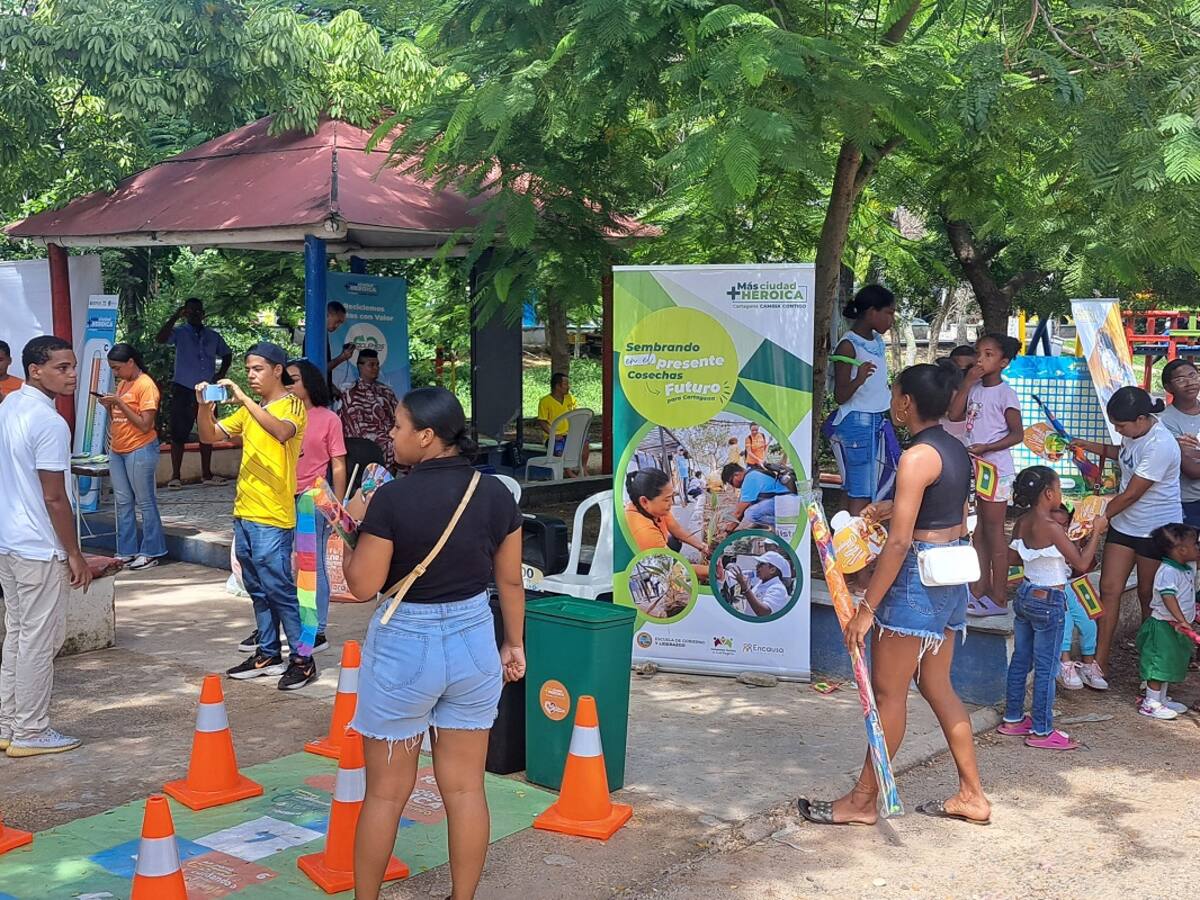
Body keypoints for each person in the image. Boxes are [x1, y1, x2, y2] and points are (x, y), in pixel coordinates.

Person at [338, 386, 525, 900]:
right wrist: (514, 644)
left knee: (384, 796)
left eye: (397, 427)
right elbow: (509, 582)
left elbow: (361, 586)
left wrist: (350, 525)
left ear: (426, 436)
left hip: (405, 647)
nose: (390, 436)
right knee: (466, 789)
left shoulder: (391, 499)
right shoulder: (496, 494)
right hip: (473, 641)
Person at [799, 361, 990, 827]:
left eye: (894, 393)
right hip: (949, 575)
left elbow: (902, 542)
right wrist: (890, 508)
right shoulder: (955, 449)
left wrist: (867, 607)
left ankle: (864, 801)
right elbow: (947, 513)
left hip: (916, 581)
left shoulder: (916, 457)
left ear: (906, 403)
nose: (891, 401)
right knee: (935, 684)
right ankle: (972, 794)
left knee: (889, 694)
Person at [196, 342, 316, 691]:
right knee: (258, 589)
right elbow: (209, 435)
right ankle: (267, 652)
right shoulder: (251, 411)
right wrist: (204, 408)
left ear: (278, 370)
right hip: (245, 511)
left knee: (280, 589)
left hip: (273, 516)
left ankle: (303, 658)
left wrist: (244, 400)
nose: (250, 375)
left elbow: (281, 432)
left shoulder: (291, 405)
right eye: (247, 369)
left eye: (257, 369)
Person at [0, 336, 92, 757]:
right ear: (36, 369)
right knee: (38, 640)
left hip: (11, 543)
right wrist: (75, 553)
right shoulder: (51, 424)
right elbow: (55, 497)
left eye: (73, 367)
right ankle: (32, 731)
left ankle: (8, 725)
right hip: (39, 547)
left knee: (18, 636)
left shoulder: (10, 406)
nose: (72, 375)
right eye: (62, 367)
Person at [1071, 386, 1183, 678]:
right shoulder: (1134, 435)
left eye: (1122, 425)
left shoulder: (1161, 444)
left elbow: (1132, 493)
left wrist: (1100, 516)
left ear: (1143, 419)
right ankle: (1099, 662)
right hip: (1124, 525)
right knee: (1109, 590)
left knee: (1149, 596)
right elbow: (1123, 453)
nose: (1119, 431)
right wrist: (1085, 445)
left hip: (1155, 531)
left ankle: (1152, 668)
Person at [998, 467, 1107, 750]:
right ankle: (1042, 731)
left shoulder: (1023, 522)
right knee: (1046, 668)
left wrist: (1040, 559)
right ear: (1048, 494)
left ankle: (1012, 718)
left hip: (1025, 595)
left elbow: (1013, 557)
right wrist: (1096, 532)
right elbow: (1082, 564)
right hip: (1050, 601)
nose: (1060, 495)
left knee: (1021, 659)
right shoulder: (1053, 528)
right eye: (1059, 489)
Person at [948, 333, 1023, 617]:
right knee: (979, 531)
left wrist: (988, 446)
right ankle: (978, 589)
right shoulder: (975, 387)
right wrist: (967, 383)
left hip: (997, 469)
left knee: (994, 533)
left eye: (989, 354)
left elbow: (1018, 434)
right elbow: (955, 415)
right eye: (979, 352)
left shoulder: (1006, 394)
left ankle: (1000, 597)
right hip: (979, 469)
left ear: (1003, 362)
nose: (981, 358)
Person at [287, 358, 347, 652]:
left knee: (312, 565)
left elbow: (338, 463)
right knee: (281, 564)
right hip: (281, 497)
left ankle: (318, 628)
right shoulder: (278, 415)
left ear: (309, 383)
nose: (288, 385)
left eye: (294, 379)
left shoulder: (328, 419)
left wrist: (338, 506)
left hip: (313, 498)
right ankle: (287, 624)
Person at [829, 285, 897, 516]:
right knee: (862, 491)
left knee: (854, 488)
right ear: (871, 311)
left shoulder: (876, 340)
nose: (891, 320)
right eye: (888, 313)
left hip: (875, 418)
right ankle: (857, 546)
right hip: (858, 421)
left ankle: (842, 540)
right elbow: (840, 396)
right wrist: (858, 379)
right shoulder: (848, 346)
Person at [100, 344, 165, 570]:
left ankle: (151, 550)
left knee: (145, 502)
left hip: (140, 447)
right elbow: (119, 417)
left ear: (130, 362)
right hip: (118, 449)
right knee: (123, 502)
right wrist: (111, 405)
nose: (116, 373)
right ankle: (126, 550)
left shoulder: (146, 385)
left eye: (117, 368)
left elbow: (145, 425)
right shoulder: (123, 383)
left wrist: (119, 403)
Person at [156, 297, 232, 488]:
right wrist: (175, 316)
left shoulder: (213, 336)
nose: (194, 314)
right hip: (184, 387)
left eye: (197, 311)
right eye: (189, 311)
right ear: (185, 313)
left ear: (203, 313)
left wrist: (220, 373)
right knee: (178, 432)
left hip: (208, 390)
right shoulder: (179, 333)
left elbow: (227, 353)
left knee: (207, 431)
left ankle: (207, 474)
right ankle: (175, 476)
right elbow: (160, 339)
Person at [1137, 524, 1200, 721]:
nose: (1198, 548)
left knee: (1169, 663)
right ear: (1181, 551)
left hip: (1176, 626)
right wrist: (1182, 620)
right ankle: (1150, 702)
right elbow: (1168, 596)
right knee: (1158, 664)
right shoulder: (1168, 571)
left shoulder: (1186, 567)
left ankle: (1161, 698)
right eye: (1195, 545)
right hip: (1164, 625)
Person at [1051, 505, 1107, 692]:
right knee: (1065, 624)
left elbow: (1083, 567)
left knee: (1089, 623)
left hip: (1074, 586)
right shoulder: (1045, 540)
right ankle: (1065, 663)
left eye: (1065, 524)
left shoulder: (1069, 540)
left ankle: (1088, 665)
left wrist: (1080, 540)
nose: (1062, 529)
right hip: (1055, 588)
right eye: (1056, 524)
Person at [625, 469, 711, 580]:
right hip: (637, 570)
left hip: (653, 551)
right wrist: (713, 570)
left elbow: (677, 529)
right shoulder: (643, 530)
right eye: (666, 499)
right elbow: (675, 567)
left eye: (671, 496)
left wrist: (701, 546)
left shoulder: (654, 509)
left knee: (675, 541)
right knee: (669, 571)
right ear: (644, 501)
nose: (671, 503)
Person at [341, 348, 400, 471]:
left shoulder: (386, 391)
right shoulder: (350, 393)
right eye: (371, 365)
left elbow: (398, 417)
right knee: (388, 446)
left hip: (390, 437)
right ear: (360, 367)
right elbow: (354, 428)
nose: (375, 368)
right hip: (364, 444)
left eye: (377, 365)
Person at [1157, 360, 1200, 527]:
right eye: (1181, 379)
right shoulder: (1165, 421)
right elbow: (1192, 469)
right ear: (1168, 388)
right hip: (1189, 501)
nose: (1190, 383)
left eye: (1193, 376)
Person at [536, 372, 589, 474]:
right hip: (554, 436)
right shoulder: (545, 401)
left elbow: (576, 415)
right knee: (559, 448)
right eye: (565, 384)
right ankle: (569, 473)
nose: (568, 387)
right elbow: (542, 421)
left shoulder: (570, 398)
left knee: (585, 443)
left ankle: (583, 469)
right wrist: (553, 434)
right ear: (557, 386)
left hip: (570, 433)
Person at [720, 462, 790, 530]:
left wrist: (728, 529)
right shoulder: (752, 473)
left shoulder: (750, 478)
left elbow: (739, 513)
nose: (733, 486)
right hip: (783, 500)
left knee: (751, 514)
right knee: (753, 508)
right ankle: (775, 528)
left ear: (736, 475)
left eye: (731, 482)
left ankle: (788, 523)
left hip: (784, 501)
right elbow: (741, 510)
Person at [729, 550, 792, 617]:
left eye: (761, 564)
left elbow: (764, 612)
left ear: (772, 570)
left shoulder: (778, 588)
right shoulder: (761, 582)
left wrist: (746, 588)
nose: (757, 566)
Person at [941, 346, 977, 446]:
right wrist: (967, 383)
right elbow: (954, 416)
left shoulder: (982, 386)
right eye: (962, 370)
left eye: (971, 368)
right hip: (948, 442)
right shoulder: (945, 384)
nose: (970, 373)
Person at [324, 300, 357, 395]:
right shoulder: (317, 335)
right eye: (337, 321)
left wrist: (333, 389)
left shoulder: (323, 335)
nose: (337, 326)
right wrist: (342, 357)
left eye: (340, 323)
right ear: (327, 314)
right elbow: (318, 369)